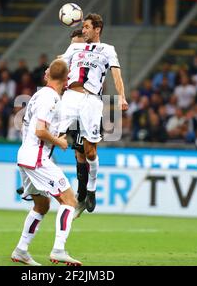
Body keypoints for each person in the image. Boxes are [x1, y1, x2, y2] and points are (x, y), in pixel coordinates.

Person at [11, 59, 82, 266]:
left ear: (47, 75)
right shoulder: (49, 98)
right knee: (69, 201)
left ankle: (21, 250)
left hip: (26, 156)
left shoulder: (40, 95)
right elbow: (40, 130)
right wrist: (59, 140)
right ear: (66, 79)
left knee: (42, 205)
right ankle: (59, 249)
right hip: (37, 158)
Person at [58, 13, 129, 216]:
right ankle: (33, 184)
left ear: (97, 29)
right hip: (71, 95)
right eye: (83, 27)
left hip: (92, 101)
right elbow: (60, 65)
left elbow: (116, 74)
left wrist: (121, 96)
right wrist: (50, 72)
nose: (84, 30)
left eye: (87, 27)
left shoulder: (107, 50)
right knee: (50, 134)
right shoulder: (74, 47)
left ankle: (91, 189)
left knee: (89, 152)